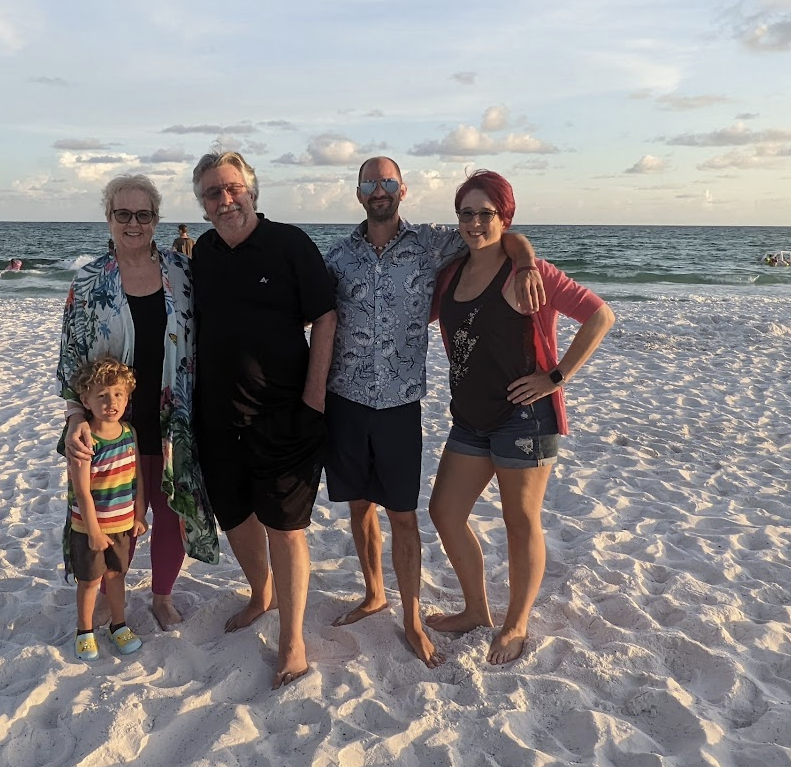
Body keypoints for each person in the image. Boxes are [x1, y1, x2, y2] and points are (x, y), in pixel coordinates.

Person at [322, 156, 544, 668]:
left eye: (388, 182)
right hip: (346, 401)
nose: (379, 190)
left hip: (400, 404)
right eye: (370, 183)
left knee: (403, 517)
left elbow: (497, 233)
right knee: (358, 507)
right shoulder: (337, 258)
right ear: (358, 193)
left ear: (402, 190)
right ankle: (374, 594)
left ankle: (411, 618)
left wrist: (528, 260)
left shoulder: (432, 242)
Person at [426, 170, 615, 665]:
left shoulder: (530, 274)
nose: (473, 223)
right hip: (469, 416)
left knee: (519, 520)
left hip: (525, 418)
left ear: (504, 217)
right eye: (465, 213)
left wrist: (556, 377)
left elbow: (600, 316)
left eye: (485, 214)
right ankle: (474, 609)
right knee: (444, 512)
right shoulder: (450, 273)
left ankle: (516, 623)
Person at [189, 150, 336, 690]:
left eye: (232, 189)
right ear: (202, 206)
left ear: (252, 190)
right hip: (215, 418)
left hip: (285, 414)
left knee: (287, 528)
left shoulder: (291, 244)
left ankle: (292, 637)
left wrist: (314, 398)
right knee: (236, 518)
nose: (224, 200)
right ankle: (260, 594)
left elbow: (325, 315)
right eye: (212, 193)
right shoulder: (200, 254)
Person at [59, 174, 220, 632]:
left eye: (143, 214)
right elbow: (70, 357)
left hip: (174, 418)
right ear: (109, 218)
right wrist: (75, 418)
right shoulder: (90, 282)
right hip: (111, 423)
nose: (134, 223)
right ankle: (115, 593)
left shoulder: (181, 272)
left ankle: (162, 597)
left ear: (156, 219)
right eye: (123, 214)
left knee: (169, 515)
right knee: (115, 518)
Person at [63, 357, 148, 661]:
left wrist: (138, 515)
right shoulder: (85, 439)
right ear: (85, 400)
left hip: (123, 524)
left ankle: (118, 624)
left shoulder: (129, 433)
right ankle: (84, 630)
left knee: (116, 576)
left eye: (118, 394)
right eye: (101, 395)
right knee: (89, 582)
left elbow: (136, 475)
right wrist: (95, 533)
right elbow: (82, 490)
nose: (111, 402)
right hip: (90, 528)